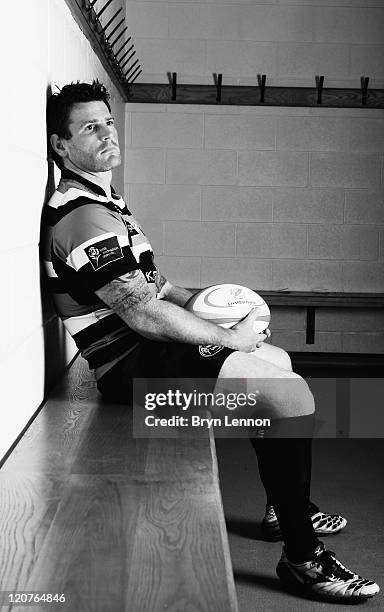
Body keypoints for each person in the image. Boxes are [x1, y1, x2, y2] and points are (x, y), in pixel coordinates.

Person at [43, 80, 379, 602]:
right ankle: (302, 558)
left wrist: (215, 306)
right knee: (289, 395)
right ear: (61, 146)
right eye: (90, 127)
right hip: (128, 374)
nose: (108, 133)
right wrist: (229, 338)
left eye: (108, 122)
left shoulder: (106, 201)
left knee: (280, 361)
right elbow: (145, 316)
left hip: (147, 354)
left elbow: (158, 287)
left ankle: (283, 505)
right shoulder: (83, 218)